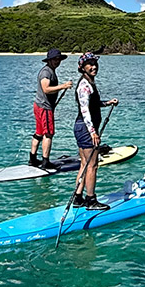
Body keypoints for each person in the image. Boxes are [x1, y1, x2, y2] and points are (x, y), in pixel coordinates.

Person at [71, 52, 119, 209]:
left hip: (82, 127)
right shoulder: (84, 86)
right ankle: (91, 200)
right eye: (90, 64)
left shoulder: (89, 83)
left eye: (95, 64)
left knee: (84, 163)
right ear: (82, 68)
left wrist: (107, 103)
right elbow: (85, 110)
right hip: (86, 129)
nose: (94, 67)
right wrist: (92, 132)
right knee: (92, 165)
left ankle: (78, 198)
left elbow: (93, 104)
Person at [29, 48, 73, 170]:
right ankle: (45, 162)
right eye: (55, 59)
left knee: (39, 133)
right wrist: (63, 86)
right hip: (44, 107)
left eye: (59, 59)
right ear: (49, 60)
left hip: (40, 105)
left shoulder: (50, 71)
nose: (57, 61)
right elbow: (46, 89)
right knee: (48, 134)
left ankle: (32, 159)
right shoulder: (46, 72)